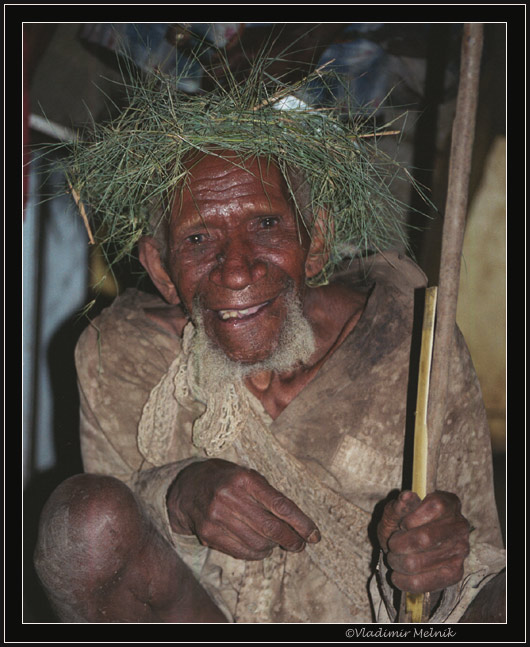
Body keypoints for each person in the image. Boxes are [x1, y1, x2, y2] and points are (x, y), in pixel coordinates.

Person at [33, 61, 505, 623]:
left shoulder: (408, 342)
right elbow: (120, 549)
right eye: (200, 237)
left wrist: (436, 551)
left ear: (317, 241)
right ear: (160, 269)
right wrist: (181, 494)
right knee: (81, 526)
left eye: (265, 226)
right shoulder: (125, 353)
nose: (236, 270)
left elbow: (476, 560)